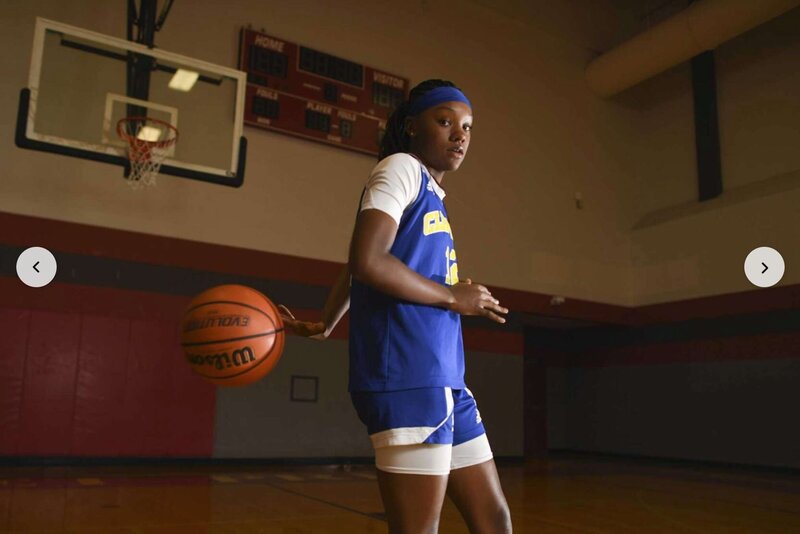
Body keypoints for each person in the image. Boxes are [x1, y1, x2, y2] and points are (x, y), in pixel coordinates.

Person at [280, 79, 512, 533]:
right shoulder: (401, 168)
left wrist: (328, 321)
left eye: (467, 126)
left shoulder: (431, 194)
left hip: (445, 381)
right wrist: (450, 296)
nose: (459, 135)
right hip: (407, 379)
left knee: (494, 519)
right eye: (444, 122)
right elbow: (366, 259)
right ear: (410, 127)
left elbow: (359, 265)